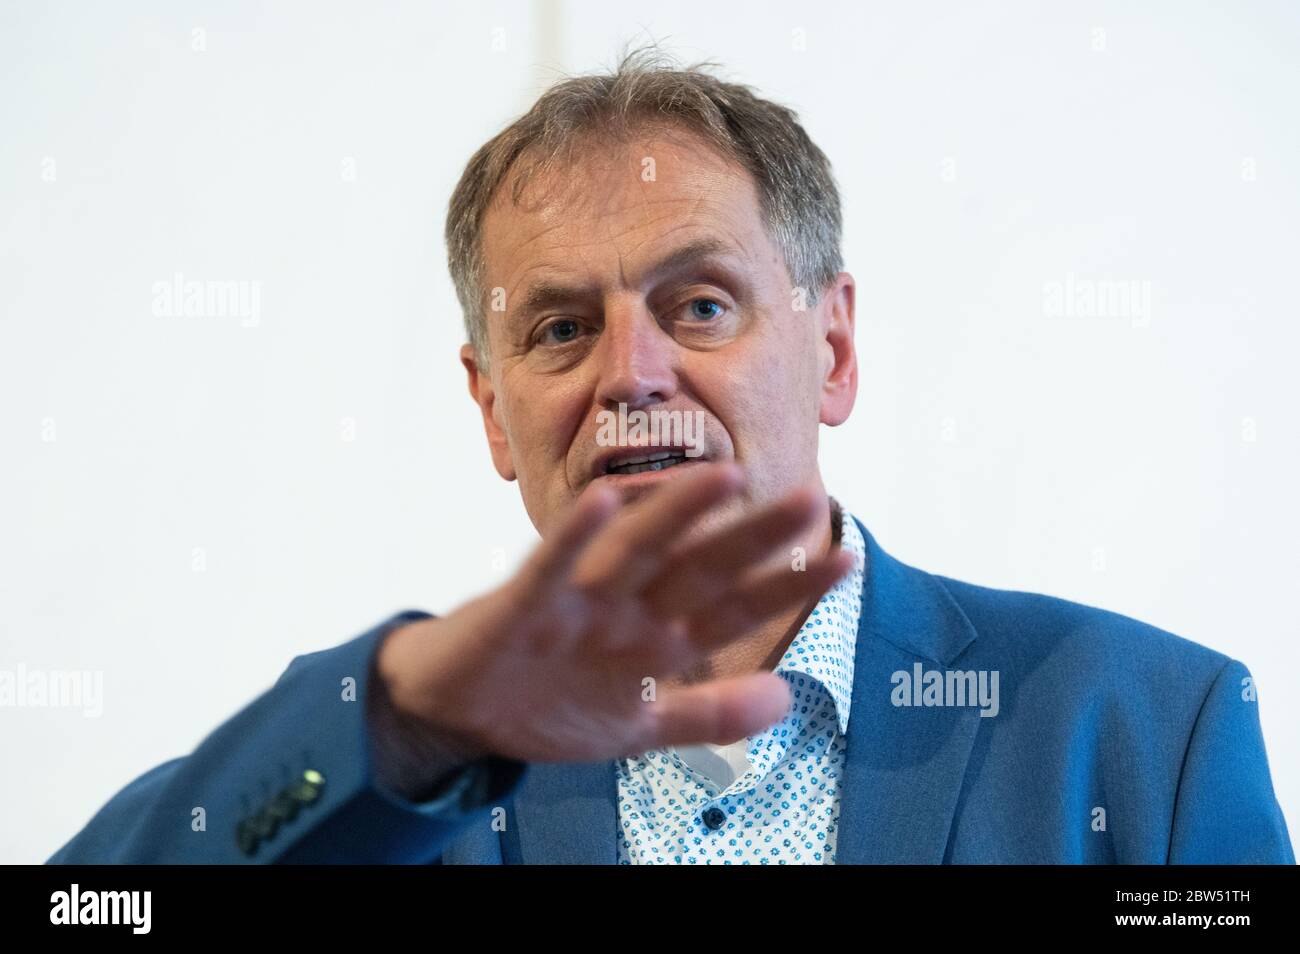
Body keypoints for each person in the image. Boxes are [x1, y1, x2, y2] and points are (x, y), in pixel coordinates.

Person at [48, 48, 1293, 865]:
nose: (629, 374)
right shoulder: (390, 755)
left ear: (835, 350)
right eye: (559, 328)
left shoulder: (1149, 732)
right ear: (493, 410)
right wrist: (413, 723)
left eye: (699, 305)